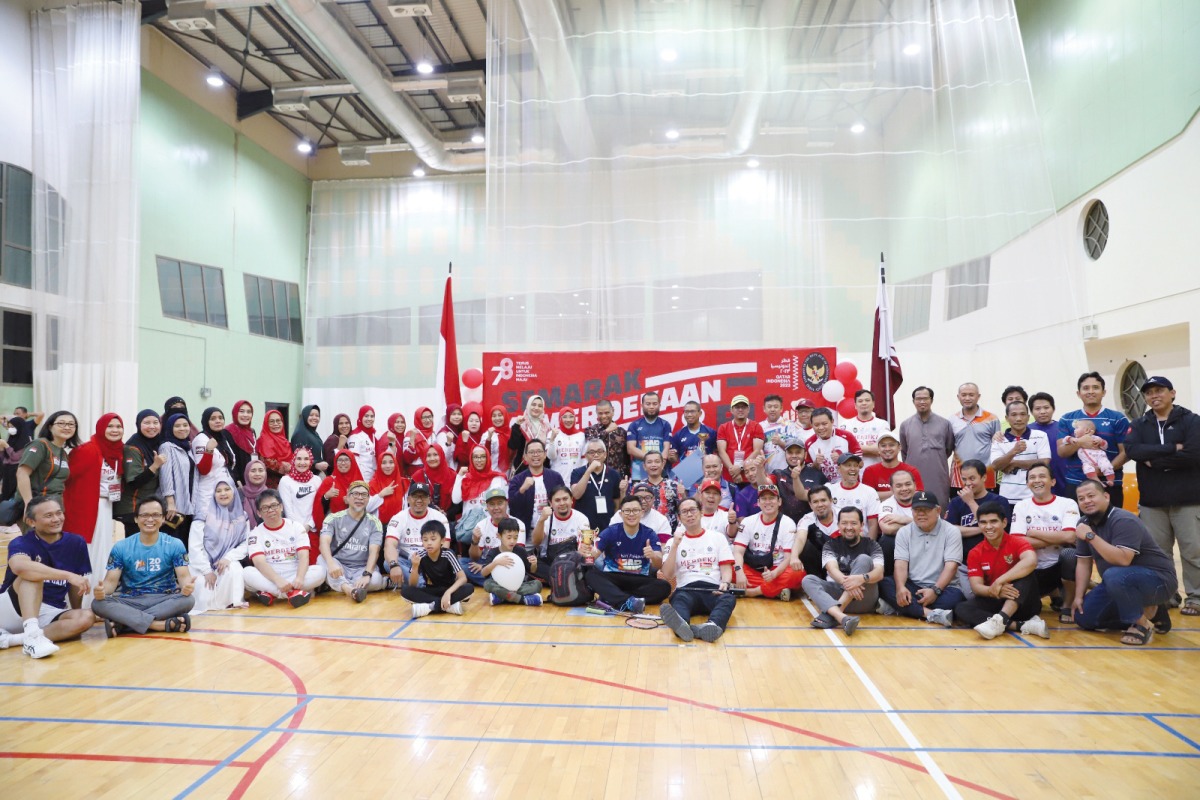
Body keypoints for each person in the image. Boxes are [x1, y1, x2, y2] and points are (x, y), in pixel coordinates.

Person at [1124, 376, 1200, 615]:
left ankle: (1196, 597)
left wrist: (1153, 461)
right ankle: (1167, 595)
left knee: (1193, 551)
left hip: (1188, 499)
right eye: (1149, 393)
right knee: (1158, 553)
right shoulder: (1139, 424)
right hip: (1152, 501)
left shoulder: (1191, 420)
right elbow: (1133, 450)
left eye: (1159, 390)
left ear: (1172, 393)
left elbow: (1194, 454)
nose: (1154, 396)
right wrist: (1172, 449)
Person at [1069, 480, 1177, 645]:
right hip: (1118, 582)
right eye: (1081, 498)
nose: (1086, 501)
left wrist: (1091, 536)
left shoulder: (1124, 520)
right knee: (1084, 618)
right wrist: (1078, 597)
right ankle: (1152, 611)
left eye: (1091, 496)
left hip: (1159, 581)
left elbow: (1123, 560)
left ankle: (1141, 624)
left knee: (1113, 575)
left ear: (1106, 497)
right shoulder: (1083, 524)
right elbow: (1084, 563)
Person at [0, 496, 94, 658]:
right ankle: (31, 634)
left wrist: (75, 613)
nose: (56, 519)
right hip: (12, 608)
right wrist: (68, 575)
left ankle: (21, 639)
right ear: (31, 522)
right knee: (32, 576)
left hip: (48, 611)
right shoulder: (21, 542)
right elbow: (20, 567)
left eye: (59, 513)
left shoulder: (76, 542)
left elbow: (75, 585)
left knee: (85, 617)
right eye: (48, 516)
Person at [93, 496, 195, 637]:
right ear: (136, 518)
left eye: (156, 515)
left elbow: (184, 577)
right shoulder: (121, 547)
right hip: (131, 600)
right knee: (97, 603)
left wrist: (187, 587)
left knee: (188, 600)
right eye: (144, 515)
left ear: (163, 518)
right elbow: (110, 583)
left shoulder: (175, 544)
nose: (150, 519)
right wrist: (101, 592)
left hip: (164, 599)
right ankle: (159, 625)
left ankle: (124, 624)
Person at [954, 501, 1049, 640]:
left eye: (993, 521)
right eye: (983, 522)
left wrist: (1000, 581)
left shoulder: (1018, 542)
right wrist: (996, 591)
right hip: (998, 598)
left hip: (1024, 603)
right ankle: (1020, 625)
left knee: (1025, 573)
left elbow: (1031, 561)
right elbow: (976, 587)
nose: (988, 527)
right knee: (961, 609)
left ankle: (1000, 620)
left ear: (1004, 522)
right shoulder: (975, 552)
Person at [62, 413, 124, 599]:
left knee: (102, 551)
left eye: (118, 426)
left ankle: (98, 595)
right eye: (110, 426)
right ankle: (80, 600)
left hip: (106, 506)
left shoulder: (119, 452)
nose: (115, 430)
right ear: (101, 428)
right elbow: (67, 480)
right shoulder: (87, 450)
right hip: (86, 507)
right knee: (87, 550)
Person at [878, 491, 963, 627]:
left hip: (943, 588)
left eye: (926, 510)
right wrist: (900, 587)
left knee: (955, 599)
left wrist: (935, 591)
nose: (921, 514)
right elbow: (900, 564)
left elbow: (951, 567)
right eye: (917, 510)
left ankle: (900, 607)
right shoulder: (904, 532)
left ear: (938, 510)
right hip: (913, 585)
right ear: (912, 512)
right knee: (884, 584)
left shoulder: (951, 531)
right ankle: (930, 614)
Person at [658, 498, 736, 643]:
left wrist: (725, 583)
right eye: (684, 512)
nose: (689, 514)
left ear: (701, 512)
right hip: (686, 590)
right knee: (678, 600)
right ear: (679, 517)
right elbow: (668, 574)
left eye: (693, 510)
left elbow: (726, 568)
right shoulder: (672, 542)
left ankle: (712, 626)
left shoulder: (717, 537)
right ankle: (682, 626)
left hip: (712, 589)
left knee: (728, 598)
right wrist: (675, 546)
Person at [1009, 465, 1080, 617]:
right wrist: (1058, 538)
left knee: (1070, 555)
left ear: (1053, 481)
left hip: (1058, 567)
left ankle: (1067, 605)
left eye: (1042, 476)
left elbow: (1070, 537)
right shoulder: (1021, 506)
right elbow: (1016, 541)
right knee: (1028, 609)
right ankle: (1053, 593)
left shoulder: (1068, 503)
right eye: (1032, 477)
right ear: (1027, 484)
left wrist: (1034, 533)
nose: (1037, 480)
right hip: (1031, 569)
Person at [802, 506, 885, 637]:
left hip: (863, 598)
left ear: (862, 525)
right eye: (844, 523)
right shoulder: (830, 545)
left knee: (864, 559)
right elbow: (832, 570)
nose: (849, 527)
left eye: (853, 523)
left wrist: (861, 579)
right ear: (838, 525)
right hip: (837, 595)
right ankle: (842, 617)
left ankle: (834, 614)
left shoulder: (872, 545)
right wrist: (851, 584)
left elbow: (879, 573)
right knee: (808, 580)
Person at [1057, 372, 1131, 508]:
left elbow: (1126, 452)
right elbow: (1061, 452)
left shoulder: (1117, 418)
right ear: (1078, 393)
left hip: (1109, 483)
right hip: (1076, 483)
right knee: (1077, 521)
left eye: (1095, 387)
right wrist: (1080, 442)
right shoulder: (1066, 419)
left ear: (1104, 392)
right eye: (1086, 388)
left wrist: (1102, 470)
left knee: (1111, 521)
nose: (1090, 391)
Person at [585, 495, 671, 613]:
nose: (631, 514)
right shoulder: (610, 532)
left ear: (641, 513)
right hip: (614, 577)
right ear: (621, 514)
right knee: (590, 574)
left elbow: (658, 564)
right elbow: (592, 557)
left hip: (639, 579)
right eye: (627, 511)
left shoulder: (649, 534)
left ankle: (614, 597)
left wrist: (653, 555)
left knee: (664, 587)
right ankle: (628, 601)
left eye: (635, 510)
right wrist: (588, 554)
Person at [243, 489, 327, 607]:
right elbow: (259, 562)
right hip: (269, 576)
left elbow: (303, 556)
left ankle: (271, 592)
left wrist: (300, 578)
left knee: (320, 571)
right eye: (265, 508)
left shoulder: (296, 527)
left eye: (274, 505)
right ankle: (292, 593)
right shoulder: (255, 533)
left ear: (281, 507)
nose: (271, 510)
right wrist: (278, 580)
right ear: (259, 513)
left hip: (294, 574)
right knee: (246, 573)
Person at [732, 482, 805, 601]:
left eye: (771, 498)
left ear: (779, 502)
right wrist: (739, 572)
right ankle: (775, 590)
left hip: (778, 570)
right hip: (754, 568)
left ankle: (752, 591)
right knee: (729, 567)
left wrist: (774, 574)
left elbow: (788, 558)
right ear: (758, 502)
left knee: (797, 573)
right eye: (764, 499)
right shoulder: (748, 522)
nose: (768, 502)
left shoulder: (788, 523)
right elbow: (738, 552)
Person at [944, 459, 1005, 597]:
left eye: (972, 478)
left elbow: (1000, 532)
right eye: (964, 479)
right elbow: (950, 530)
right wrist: (982, 530)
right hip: (965, 564)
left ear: (984, 477)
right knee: (970, 597)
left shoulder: (999, 501)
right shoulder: (956, 502)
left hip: (995, 560)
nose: (967, 483)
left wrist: (971, 502)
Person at [187, 480, 249, 614]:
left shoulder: (242, 516)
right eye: (218, 491)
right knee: (204, 594)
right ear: (213, 494)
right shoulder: (203, 515)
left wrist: (228, 558)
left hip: (224, 562)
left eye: (227, 489)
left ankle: (232, 602)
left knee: (234, 568)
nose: (223, 493)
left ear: (234, 492)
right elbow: (194, 547)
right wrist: (206, 570)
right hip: (201, 564)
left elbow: (246, 543)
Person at [318, 480, 386, 602]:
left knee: (375, 580)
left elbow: (374, 551)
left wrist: (367, 574)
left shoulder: (374, 522)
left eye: (364, 495)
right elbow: (324, 543)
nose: (359, 498)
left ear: (368, 499)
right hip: (339, 565)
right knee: (322, 559)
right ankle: (349, 590)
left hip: (361, 567)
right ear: (347, 498)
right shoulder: (333, 518)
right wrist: (331, 563)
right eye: (355, 494)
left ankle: (339, 584)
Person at [898, 386, 955, 509]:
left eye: (925, 398)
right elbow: (904, 451)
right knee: (914, 506)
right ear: (913, 401)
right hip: (913, 475)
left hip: (938, 475)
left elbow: (948, 448)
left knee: (939, 505)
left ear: (931, 400)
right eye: (918, 399)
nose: (922, 401)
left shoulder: (944, 423)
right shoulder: (905, 425)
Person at [401, 520, 471, 618]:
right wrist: (415, 566)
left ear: (442, 540)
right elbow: (412, 585)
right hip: (430, 591)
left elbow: (463, 578)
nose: (429, 543)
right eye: (425, 540)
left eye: (433, 539)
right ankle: (446, 606)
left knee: (468, 588)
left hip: (449, 589)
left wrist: (448, 593)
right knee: (405, 590)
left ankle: (430, 607)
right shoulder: (420, 556)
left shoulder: (448, 554)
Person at [384, 482, 449, 587]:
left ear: (429, 500)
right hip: (407, 561)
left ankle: (414, 583)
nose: (419, 500)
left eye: (423, 496)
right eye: (415, 496)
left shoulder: (439, 517)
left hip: (430, 561)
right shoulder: (398, 518)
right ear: (408, 499)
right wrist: (394, 565)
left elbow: (445, 546)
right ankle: (422, 584)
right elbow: (389, 544)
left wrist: (434, 567)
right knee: (388, 563)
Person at [990, 401, 1051, 508]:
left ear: (1028, 417)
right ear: (1007, 418)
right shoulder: (999, 439)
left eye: (1022, 414)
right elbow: (995, 466)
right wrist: (1013, 452)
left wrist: (1014, 463)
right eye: (1014, 415)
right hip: (1008, 497)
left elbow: (1044, 462)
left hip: (1035, 496)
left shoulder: (1040, 436)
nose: (1019, 419)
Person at [115, 410, 166, 536]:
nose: (152, 426)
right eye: (147, 423)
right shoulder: (133, 447)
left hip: (148, 506)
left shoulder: (158, 443)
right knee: (137, 543)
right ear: (138, 424)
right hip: (133, 508)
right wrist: (155, 466)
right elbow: (134, 482)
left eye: (155, 422)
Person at [467, 488, 527, 587]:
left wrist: (487, 567)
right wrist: (474, 542)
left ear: (506, 504)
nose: (496, 508)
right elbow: (475, 557)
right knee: (462, 564)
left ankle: (492, 583)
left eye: (500, 503)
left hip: (509, 563)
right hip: (487, 562)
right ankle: (500, 584)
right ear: (487, 506)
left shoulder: (518, 524)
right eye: (492, 504)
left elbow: (516, 556)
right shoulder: (481, 525)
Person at [16, 410, 78, 506]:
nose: (67, 427)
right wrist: (29, 504)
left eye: (71, 424)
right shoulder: (40, 445)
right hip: (37, 505)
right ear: (50, 427)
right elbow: (22, 473)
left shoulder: (63, 453)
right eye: (61, 423)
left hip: (55, 506)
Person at [531, 486, 591, 582]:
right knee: (532, 563)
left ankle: (560, 580)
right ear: (550, 503)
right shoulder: (545, 518)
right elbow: (536, 542)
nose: (562, 503)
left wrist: (582, 552)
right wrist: (541, 520)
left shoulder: (582, 518)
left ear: (571, 500)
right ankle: (566, 580)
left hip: (573, 562)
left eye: (565, 499)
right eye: (557, 500)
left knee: (590, 564)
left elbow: (586, 547)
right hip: (551, 564)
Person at [507, 439, 566, 531]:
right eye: (531, 452)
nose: (535, 455)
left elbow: (564, 500)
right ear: (525, 457)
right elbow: (512, 506)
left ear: (545, 454)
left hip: (552, 529)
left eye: (539, 451)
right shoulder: (517, 480)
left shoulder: (555, 477)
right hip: (526, 530)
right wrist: (522, 489)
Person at [950, 382, 1001, 490]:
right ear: (958, 397)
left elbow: (998, 447)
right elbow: (948, 446)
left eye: (971, 395)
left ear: (978, 396)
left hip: (986, 475)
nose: (967, 398)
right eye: (964, 395)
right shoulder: (952, 420)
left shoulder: (992, 418)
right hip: (960, 477)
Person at [481, 518, 543, 606]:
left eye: (515, 537)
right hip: (500, 585)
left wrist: (534, 564)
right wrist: (495, 563)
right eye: (509, 537)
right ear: (499, 536)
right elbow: (483, 573)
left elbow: (532, 571)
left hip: (518, 586)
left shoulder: (520, 551)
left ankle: (502, 597)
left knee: (537, 584)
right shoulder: (493, 552)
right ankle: (522, 599)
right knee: (487, 584)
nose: (512, 541)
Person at [312, 449, 364, 548]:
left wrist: (352, 503)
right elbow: (318, 507)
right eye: (340, 460)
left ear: (352, 462)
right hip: (334, 530)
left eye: (346, 460)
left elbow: (367, 508)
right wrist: (326, 496)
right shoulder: (329, 481)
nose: (343, 463)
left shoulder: (359, 482)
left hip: (355, 529)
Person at [158, 414, 198, 541]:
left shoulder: (188, 448)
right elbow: (165, 476)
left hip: (188, 505)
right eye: (177, 426)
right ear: (170, 428)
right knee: (173, 541)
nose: (182, 428)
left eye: (185, 425)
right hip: (175, 507)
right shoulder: (167, 447)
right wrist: (170, 503)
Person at [570, 440, 622, 530]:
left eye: (599, 451)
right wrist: (589, 471)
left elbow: (616, 502)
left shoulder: (614, 474)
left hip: (607, 524)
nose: (596, 455)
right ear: (586, 456)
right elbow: (576, 495)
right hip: (584, 524)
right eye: (591, 452)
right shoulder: (577, 472)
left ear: (605, 454)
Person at [191, 407, 236, 513]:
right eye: (213, 419)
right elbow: (203, 470)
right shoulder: (201, 439)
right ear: (206, 421)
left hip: (225, 492)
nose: (218, 421)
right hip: (208, 495)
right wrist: (209, 450)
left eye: (220, 418)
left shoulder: (222, 438)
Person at [827, 453, 881, 540]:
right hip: (835, 541)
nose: (853, 469)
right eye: (848, 465)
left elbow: (873, 525)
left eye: (855, 465)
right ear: (839, 469)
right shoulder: (830, 490)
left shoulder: (869, 492)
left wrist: (870, 546)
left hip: (861, 541)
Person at [773, 438, 826, 523]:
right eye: (790, 452)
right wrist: (759, 468)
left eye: (798, 452)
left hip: (812, 524)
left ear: (805, 454)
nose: (794, 455)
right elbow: (763, 483)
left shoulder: (817, 474)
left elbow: (824, 500)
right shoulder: (778, 474)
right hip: (786, 525)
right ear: (785, 454)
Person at [1027, 392, 1070, 495]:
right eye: (1037, 409)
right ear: (1031, 412)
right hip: (1037, 481)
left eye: (1046, 408)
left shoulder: (1063, 428)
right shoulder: (1026, 431)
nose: (1042, 412)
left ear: (1053, 409)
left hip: (1063, 477)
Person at [716, 395, 765, 485]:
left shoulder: (756, 426)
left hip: (751, 477)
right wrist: (733, 471)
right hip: (729, 476)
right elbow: (721, 451)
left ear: (748, 409)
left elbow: (757, 451)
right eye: (737, 407)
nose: (740, 410)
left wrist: (740, 467)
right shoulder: (723, 428)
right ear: (731, 410)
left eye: (743, 407)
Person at [803, 408, 860, 484]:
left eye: (824, 424)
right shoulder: (809, 443)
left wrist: (842, 459)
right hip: (824, 488)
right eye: (816, 425)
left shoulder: (847, 436)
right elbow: (809, 471)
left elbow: (860, 464)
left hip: (849, 485)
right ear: (812, 425)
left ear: (832, 421)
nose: (821, 428)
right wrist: (816, 463)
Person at [877, 469, 918, 575]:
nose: (904, 489)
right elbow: (888, 529)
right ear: (891, 489)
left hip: (923, 545)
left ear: (915, 485)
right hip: (898, 547)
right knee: (887, 540)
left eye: (908, 484)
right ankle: (888, 577)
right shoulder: (887, 504)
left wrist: (905, 520)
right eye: (899, 486)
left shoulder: (924, 499)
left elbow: (935, 525)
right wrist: (919, 525)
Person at [627, 391, 674, 481]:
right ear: (642, 406)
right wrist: (651, 460)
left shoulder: (665, 425)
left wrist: (656, 462)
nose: (651, 407)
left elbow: (666, 448)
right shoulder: (634, 425)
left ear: (659, 405)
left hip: (660, 472)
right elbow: (630, 449)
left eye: (654, 404)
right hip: (639, 473)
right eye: (648, 404)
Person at [861, 431, 923, 500]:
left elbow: (919, 495)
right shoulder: (870, 471)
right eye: (883, 445)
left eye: (891, 445)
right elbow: (867, 496)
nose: (887, 449)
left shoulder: (911, 470)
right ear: (878, 449)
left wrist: (883, 494)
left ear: (899, 447)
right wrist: (900, 493)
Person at [794, 485, 839, 579]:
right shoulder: (807, 519)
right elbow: (800, 539)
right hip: (820, 561)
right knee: (806, 546)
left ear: (831, 501)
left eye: (823, 500)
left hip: (843, 558)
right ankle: (817, 580)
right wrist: (794, 557)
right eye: (815, 502)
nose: (820, 505)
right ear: (810, 505)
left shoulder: (843, 515)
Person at [454, 445, 507, 523]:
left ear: (487, 458)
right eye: (475, 457)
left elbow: (502, 505)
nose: (479, 460)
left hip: (489, 523)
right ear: (471, 459)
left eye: (482, 457)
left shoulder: (497, 479)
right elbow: (455, 500)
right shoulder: (466, 478)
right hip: (468, 524)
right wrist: (459, 476)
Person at [635, 451, 686, 531]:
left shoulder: (674, 485)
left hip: (670, 532)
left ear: (663, 464)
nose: (653, 465)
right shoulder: (638, 487)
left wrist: (683, 495)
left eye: (657, 461)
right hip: (645, 531)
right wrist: (623, 491)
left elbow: (683, 508)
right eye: (649, 462)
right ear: (644, 466)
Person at [280, 446, 323, 536]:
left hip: (312, 530)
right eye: (299, 459)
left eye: (306, 459)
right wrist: (299, 528)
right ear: (293, 460)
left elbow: (319, 506)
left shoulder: (317, 480)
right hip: (293, 530)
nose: (302, 462)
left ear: (310, 461)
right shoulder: (285, 481)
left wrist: (309, 525)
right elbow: (287, 509)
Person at [844, 390, 891, 469]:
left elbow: (882, 450)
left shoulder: (883, 424)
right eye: (860, 401)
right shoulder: (846, 425)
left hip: (876, 470)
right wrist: (871, 449)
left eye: (867, 400)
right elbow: (844, 449)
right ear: (855, 405)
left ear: (873, 404)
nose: (864, 403)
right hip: (853, 471)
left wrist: (854, 448)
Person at [584, 399, 629, 477]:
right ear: (596, 413)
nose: (604, 416)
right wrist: (607, 431)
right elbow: (592, 443)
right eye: (600, 413)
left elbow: (626, 457)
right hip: (596, 476)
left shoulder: (622, 432)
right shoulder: (590, 430)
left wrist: (626, 476)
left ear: (613, 411)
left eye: (607, 413)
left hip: (617, 477)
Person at [508, 395, 552, 473]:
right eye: (533, 404)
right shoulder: (521, 424)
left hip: (542, 468)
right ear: (528, 406)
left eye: (540, 406)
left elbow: (549, 450)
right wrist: (517, 425)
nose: (536, 408)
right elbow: (513, 445)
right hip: (523, 469)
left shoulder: (546, 427)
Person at [412, 443, 457, 514]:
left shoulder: (453, 475)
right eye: (428, 455)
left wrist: (446, 514)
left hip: (448, 517)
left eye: (435, 455)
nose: (432, 458)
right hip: (424, 516)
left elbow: (458, 503)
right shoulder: (418, 476)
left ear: (441, 455)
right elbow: (412, 500)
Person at [760, 394, 799, 473]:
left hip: (787, 472)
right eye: (769, 407)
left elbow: (795, 449)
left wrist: (780, 443)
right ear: (764, 409)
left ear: (781, 408)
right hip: (767, 473)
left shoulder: (789, 425)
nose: (772, 409)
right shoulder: (760, 426)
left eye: (776, 406)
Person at [257, 409, 294, 488]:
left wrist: (291, 465)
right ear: (266, 424)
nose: (276, 424)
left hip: (288, 481)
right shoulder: (263, 440)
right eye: (271, 421)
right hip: (272, 484)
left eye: (278, 421)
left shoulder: (285, 441)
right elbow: (267, 462)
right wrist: (283, 466)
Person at [547, 408, 586, 483]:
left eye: (571, 417)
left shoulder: (581, 436)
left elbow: (584, 460)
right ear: (560, 419)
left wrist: (583, 477)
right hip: (557, 479)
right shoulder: (553, 433)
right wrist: (552, 440)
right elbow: (551, 456)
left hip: (577, 481)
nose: (568, 420)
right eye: (564, 417)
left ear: (575, 418)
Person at [347, 406, 381, 481]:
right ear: (361, 417)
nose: (369, 419)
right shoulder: (355, 436)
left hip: (374, 476)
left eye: (372, 416)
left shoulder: (373, 434)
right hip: (362, 478)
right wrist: (359, 480)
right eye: (366, 416)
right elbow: (354, 460)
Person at [290, 404, 327, 473]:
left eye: (317, 416)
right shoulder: (300, 434)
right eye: (311, 415)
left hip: (314, 474)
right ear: (305, 416)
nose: (314, 417)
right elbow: (298, 458)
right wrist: (316, 465)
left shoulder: (314, 434)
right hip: (303, 476)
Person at [226, 400, 257, 481]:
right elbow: (229, 460)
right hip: (237, 480)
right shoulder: (228, 432)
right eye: (241, 411)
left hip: (254, 477)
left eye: (249, 412)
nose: (245, 415)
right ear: (235, 413)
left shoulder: (252, 432)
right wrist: (237, 480)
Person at [403, 406, 437, 473]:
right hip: (416, 471)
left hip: (431, 470)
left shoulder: (433, 434)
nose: (428, 420)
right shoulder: (410, 434)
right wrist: (412, 439)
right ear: (418, 419)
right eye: (424, 417)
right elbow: (407, 458)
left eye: (430, 417)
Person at [483, 405, 513, 474]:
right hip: (492, 472)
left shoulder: (512, 433)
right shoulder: (487, 435)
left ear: (505, 416)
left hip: (510, 472)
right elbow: (484, 455)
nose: (497, 418)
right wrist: (489, 439)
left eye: (500, 415)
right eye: (494, 416)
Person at [435, 403, 465, 471]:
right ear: (448, 416)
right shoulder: (443, 434)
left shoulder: (461, 431)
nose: (457, 417)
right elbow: (441, 457)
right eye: (453, 414)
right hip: (449, 471)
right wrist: (448, 443)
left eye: (459, 414)